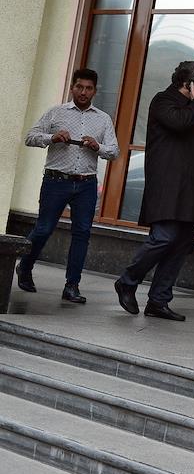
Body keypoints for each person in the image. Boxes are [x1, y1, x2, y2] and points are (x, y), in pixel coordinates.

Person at [114, 61, 194, 321]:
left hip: (190, 189)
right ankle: (127, 281)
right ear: (188, 84)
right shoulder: (163, 101)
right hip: (168, 187)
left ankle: (158, 301)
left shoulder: (191, 107)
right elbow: (180, 123)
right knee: (164, 238)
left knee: (182, 244)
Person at [16, 68, 118, 304]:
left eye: (88, 88)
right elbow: (30, 137)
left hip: (86, 184)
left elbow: (114, 151)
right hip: (56, 181)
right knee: (44, 229)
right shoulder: (56, 112)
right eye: (79, 87)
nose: (83, 92)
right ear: (72, 87)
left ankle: (72, 286)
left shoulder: (103, 119)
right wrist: (51, 138)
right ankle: (25, 266)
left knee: (82, 234)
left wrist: (98, 147)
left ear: (95, 91)